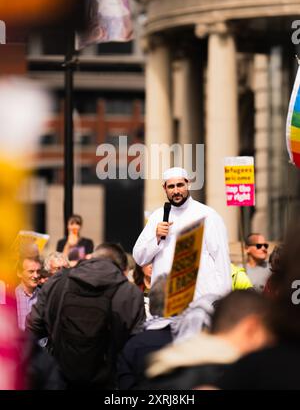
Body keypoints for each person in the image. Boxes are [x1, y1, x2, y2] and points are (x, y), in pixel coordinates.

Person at [26, 243, 145, 389]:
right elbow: (135, 342)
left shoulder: (57, 282)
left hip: (60, 377)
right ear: (124, 270)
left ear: (92, 258)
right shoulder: (129, 293)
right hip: (107, 381)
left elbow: (33, 324)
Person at [144, 290, 275, 390]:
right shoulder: (229, 377)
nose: (269, 343)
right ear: (251, 328)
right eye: (267, 333)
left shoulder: (166, 364)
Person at [133, 167, 231, 299]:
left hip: (199, 300)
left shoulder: (208, 215)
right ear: (165, 188)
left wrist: (222, 299)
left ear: (188, 184)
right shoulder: (157, 216)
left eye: (180, 185)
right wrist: (156, 239)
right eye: (171, 187)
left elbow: (221, 259)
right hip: (166, 301)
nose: (176, 191)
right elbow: (139, 257)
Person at [15, 249, 42, 331]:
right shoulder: (10, 295)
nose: (36, 275)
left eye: (38, 271)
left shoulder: (43, 296)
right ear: (19, 273)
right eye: (31, 271)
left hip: (36, 342)